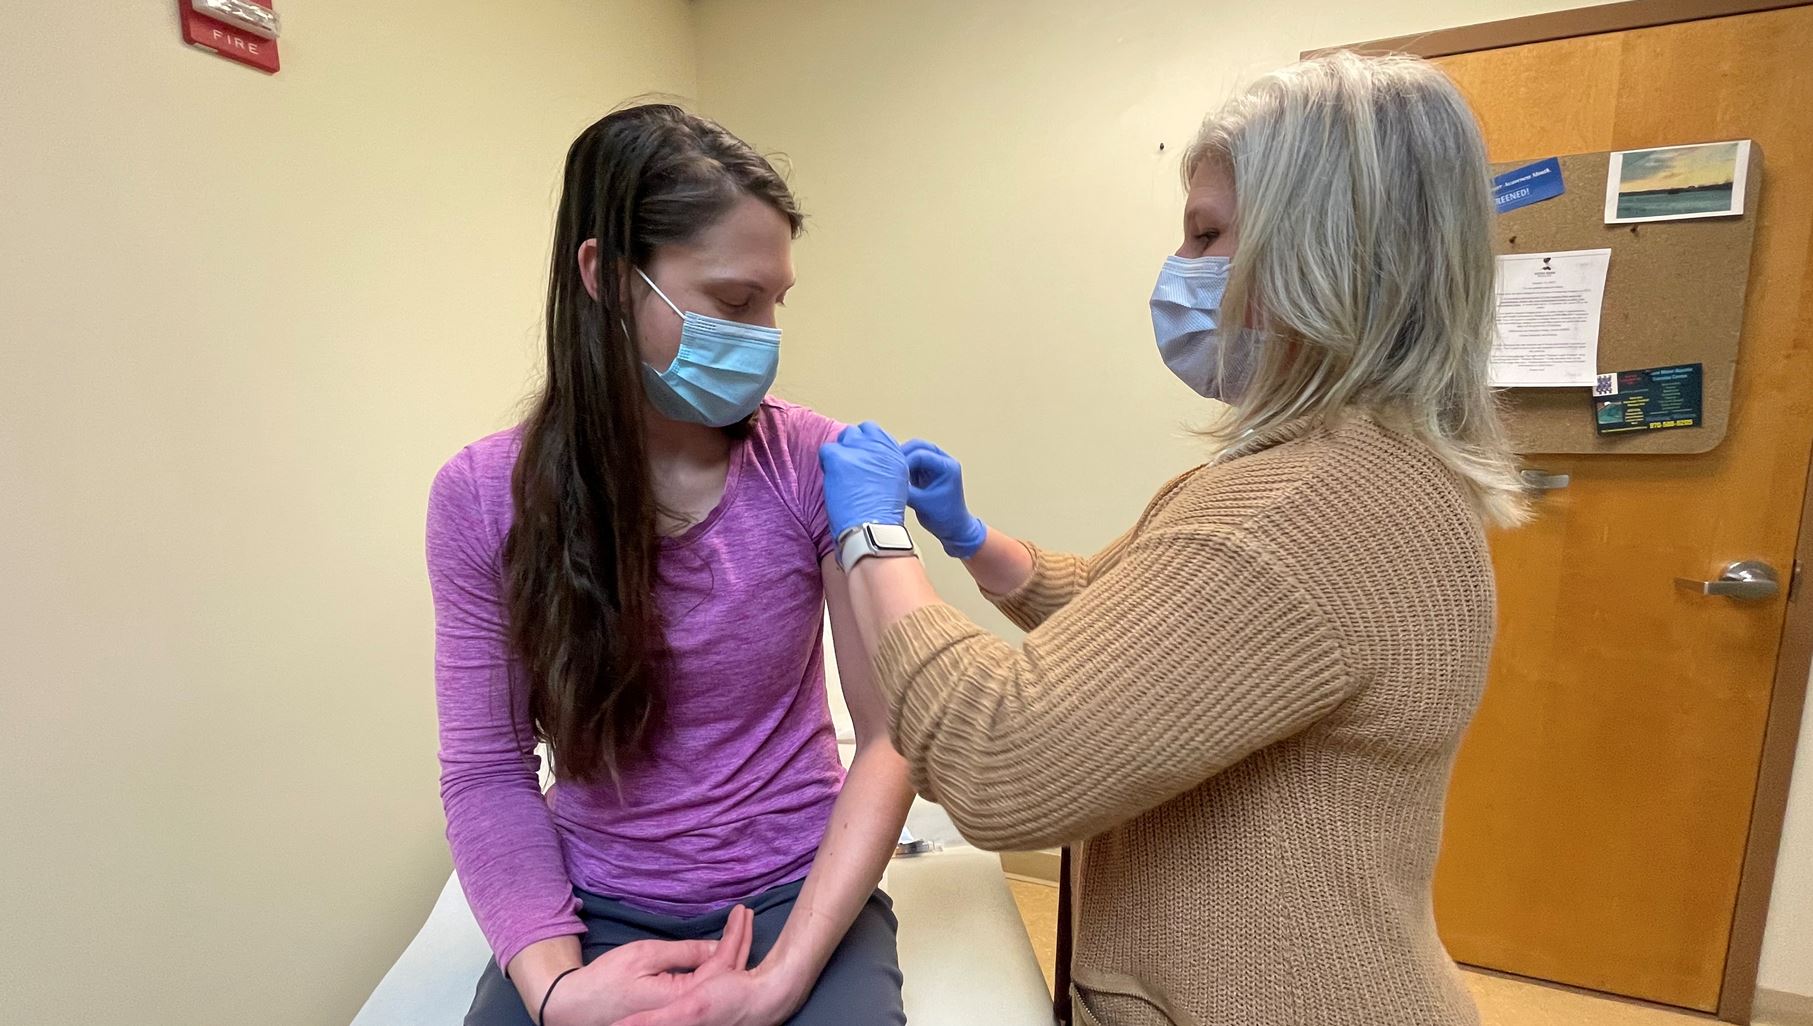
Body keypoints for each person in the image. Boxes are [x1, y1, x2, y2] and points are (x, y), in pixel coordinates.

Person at [817, 52, 1525, 1026]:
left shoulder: (1306, 510)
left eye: (1208, 235)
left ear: (1324, 251)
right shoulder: (1357, 468)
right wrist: (973, 541)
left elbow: (1000, 760)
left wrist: (869, 542)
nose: (1181, 271)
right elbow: (1140, 634)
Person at [426, 105, 913, 1026]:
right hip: (594, 909)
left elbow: (888, 736)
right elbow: (487, 771)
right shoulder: (484, 495)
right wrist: (556, 987)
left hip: (793, 895)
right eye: (735, 302)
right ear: (607, 277)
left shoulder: (813, 460)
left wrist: (781, 979)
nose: (766, 337)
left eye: (776, 303)